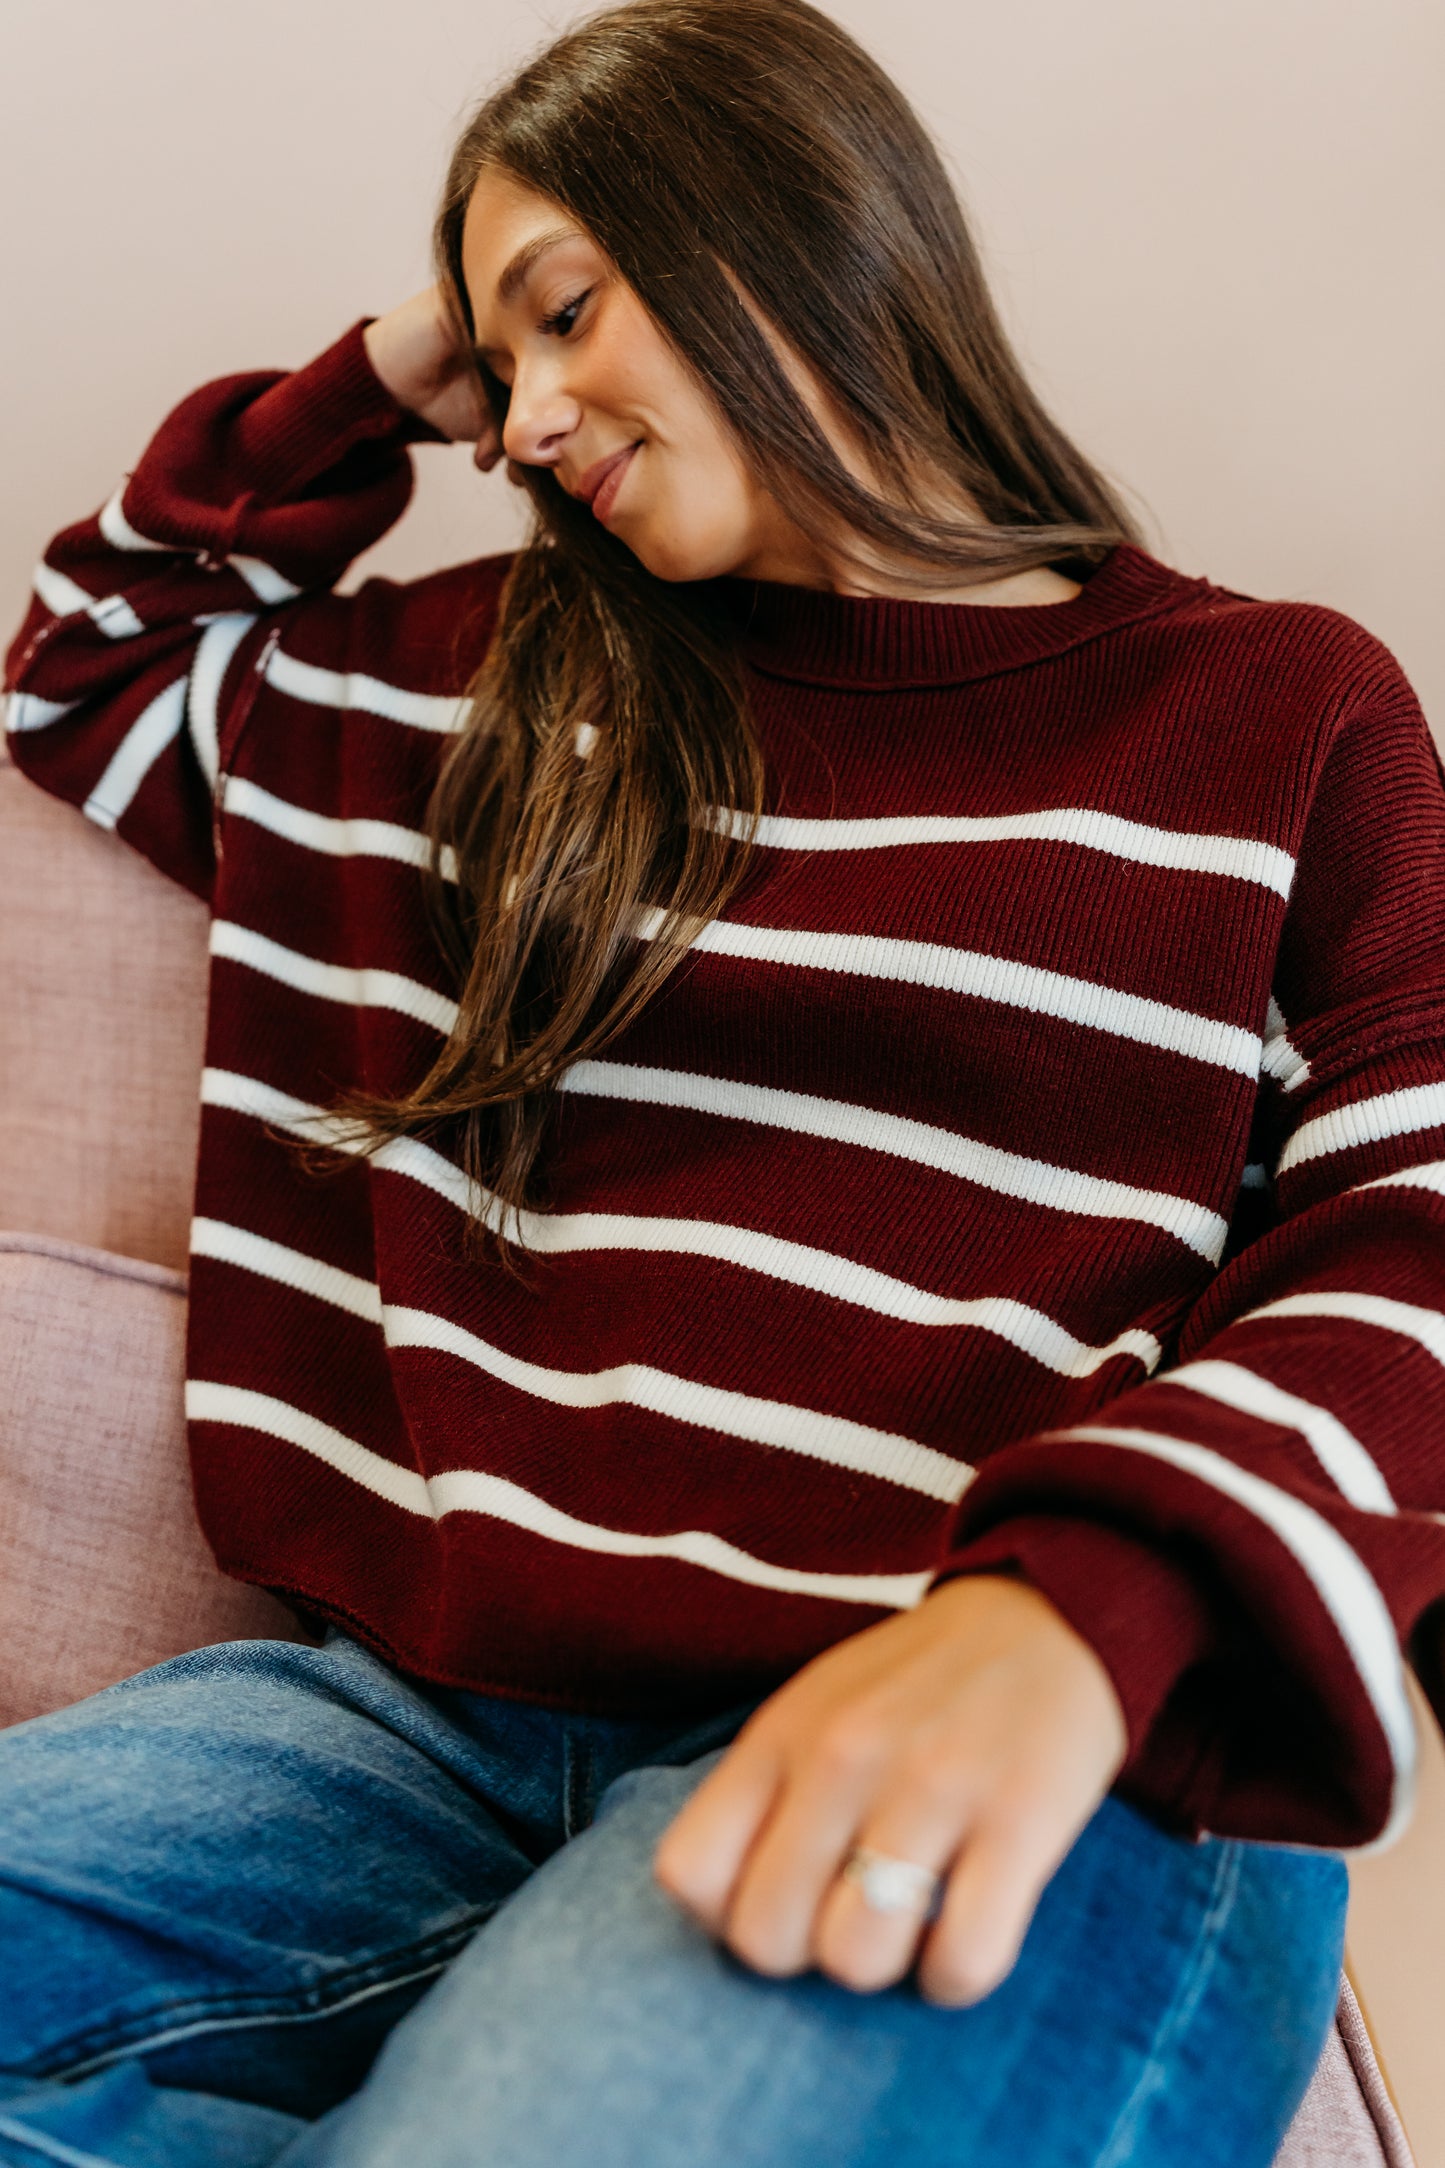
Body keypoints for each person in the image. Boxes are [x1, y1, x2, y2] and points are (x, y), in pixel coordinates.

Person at [2, 0, 1442, 2161]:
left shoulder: (1277, 711)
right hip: (399, 1740)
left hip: (1000, 1703)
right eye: (499, 363)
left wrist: (1086, 1616)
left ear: (781, 215)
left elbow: (1414, 1206)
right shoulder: (484, 699)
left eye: (571, 310)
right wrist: (403, 356)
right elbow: (93, 658)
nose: (526, 422)